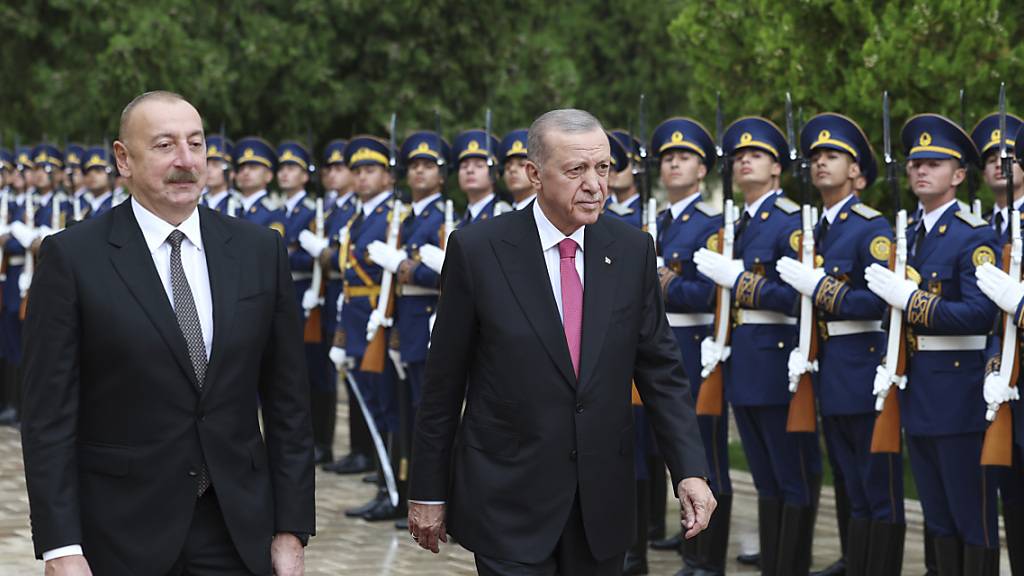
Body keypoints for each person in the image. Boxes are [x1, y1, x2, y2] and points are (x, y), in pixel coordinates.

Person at [408, 108, 715, 576]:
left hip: (601, 504)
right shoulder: (478, 251)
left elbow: (661, 371)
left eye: (603, 167)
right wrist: (428, 491)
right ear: (534, 174)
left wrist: (689, 469)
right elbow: (444, 382)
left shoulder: (632, 250)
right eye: (576, 170)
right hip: (508, 500)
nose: (594, 184)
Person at [20, 90, 315, 576]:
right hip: (118, 533)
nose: (185, 161)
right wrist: (59, 546)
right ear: (123, 158)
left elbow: (288, 405)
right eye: (164, 145)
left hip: (237, 531)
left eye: (196, 144)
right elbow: (48, 416)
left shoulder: (260, 251)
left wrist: (292, 528)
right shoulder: (73, 258)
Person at [866, 113, 1000, 573]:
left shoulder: (973, 236)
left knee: (970, 516)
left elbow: (981, 314)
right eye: (915, 163)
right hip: (918, 390)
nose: (921, 170)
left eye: (935, 164)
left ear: (959, 176)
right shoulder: (905, 237)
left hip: (958, 395)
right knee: (937, 517)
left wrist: (913, 300)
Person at [694, 116, 822, 576]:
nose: (744, 160)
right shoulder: (740, 223)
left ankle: (792, 565)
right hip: (744, 361)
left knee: (792, 475)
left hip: (777, 361)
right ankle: (776, 562)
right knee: (766, 479)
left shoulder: (789, 221)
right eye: (738, 156)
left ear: (777, 169)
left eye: (757, 154)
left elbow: (796, 295)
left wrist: (742, 282)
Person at [779, 113, 906, 574]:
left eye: (832, 156)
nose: (819, 164)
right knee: (848, 479)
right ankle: (856, 559)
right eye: (815, 157)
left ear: (856, 171)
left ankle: (879, 565)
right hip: (830, 368)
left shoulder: (870, 227)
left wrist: (821, 288)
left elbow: (876, 303)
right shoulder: (818, 229)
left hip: (862, 365)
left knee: (876, 483)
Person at [651, 117, 731, 576]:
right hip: (657, 344)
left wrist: (661, 281)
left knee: (706, 457)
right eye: (668, 157)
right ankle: (689, 551)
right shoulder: (658, 221)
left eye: (684, 157)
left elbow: (707, 293)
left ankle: (706, 560)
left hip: (695, 345)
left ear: (703, 170)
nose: (674, 163)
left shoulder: (712, 223)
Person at [367, 129, 451, 528]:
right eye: (414, 165)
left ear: (441, 174)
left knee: (427, 414)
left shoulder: (442, 217)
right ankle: (404, 492)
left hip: (431, 322)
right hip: (404, 322)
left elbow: (448, 274)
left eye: (428, 165)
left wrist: (404, 265)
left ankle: (433, 497)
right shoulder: (406, 217)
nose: (419, 172)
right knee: (403, 411)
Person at [331, 135, 403, 521]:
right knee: (372, 408)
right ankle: (383, 484)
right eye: (357, 171)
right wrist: (341, 335)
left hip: (380, 321)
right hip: (358, 323)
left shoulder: (395, 216)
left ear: (388, 176)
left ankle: (393, 490)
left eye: (370, 170)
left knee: (387, 409)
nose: (361, 178)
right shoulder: (356, 218)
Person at [306, 139, 371, 476]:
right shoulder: (334, 211)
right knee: (331, 377)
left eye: (339, 167)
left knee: (361, 381)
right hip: (333, 301)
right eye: (328, 168)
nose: (333, 174)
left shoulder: (352, 212)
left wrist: (321, 252)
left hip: (357, 301)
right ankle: (351, 448)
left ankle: (366, 451)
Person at [453, 129, 508, 226]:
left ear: (495, 173)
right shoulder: (459, 222)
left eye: (479, 165)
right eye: (464, 166)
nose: (469, 170)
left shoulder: (503, 215)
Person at [604, 130, 643, 229]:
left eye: (622, 165)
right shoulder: (600, 207)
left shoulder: (644, 212)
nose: (613, 171)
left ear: (636, 168)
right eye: (610, 166)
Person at [202, 135, 238, 216]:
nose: (209, 170)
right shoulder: (196, 201)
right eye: (206, 164)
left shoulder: (238, 205)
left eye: (215, 165)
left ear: (231, 173)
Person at [500, 129, 536, 210]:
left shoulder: (548, 213)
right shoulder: (502, 212)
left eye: (522, 165)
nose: (512, 170)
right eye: (508, 167)